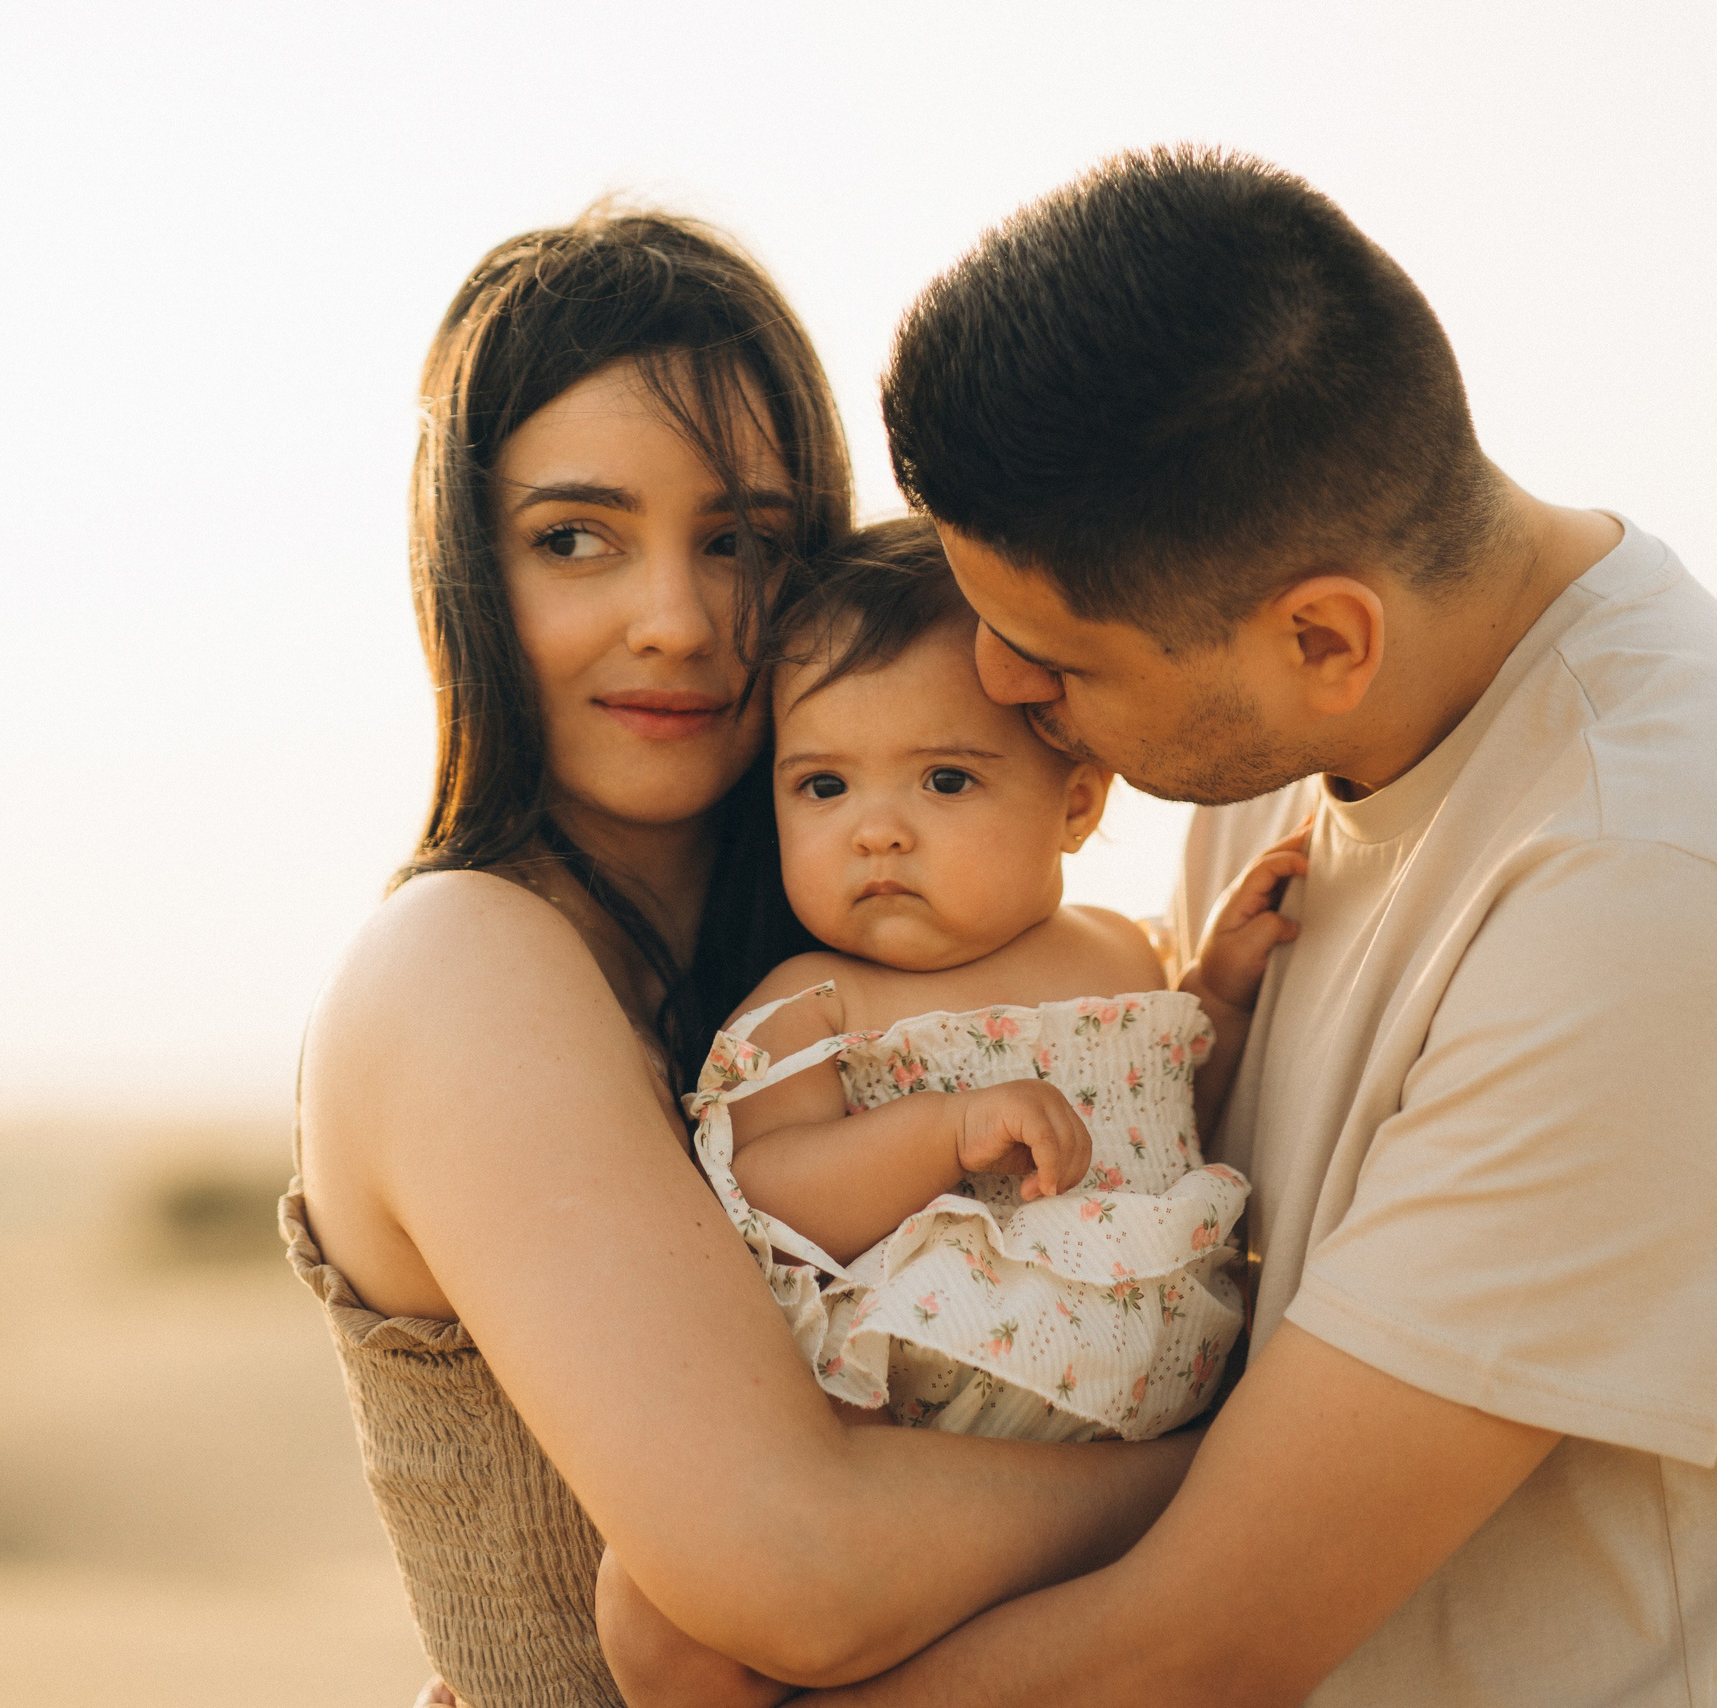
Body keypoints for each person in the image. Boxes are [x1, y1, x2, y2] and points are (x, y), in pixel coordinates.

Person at [800, 147, 1717, 1705]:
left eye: (1050, 654)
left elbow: (1198, 1645)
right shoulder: (1269, 746)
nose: (997, 686)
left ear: (1324, 637)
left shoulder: (1662, 885)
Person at [285, 210, 1202, 1708]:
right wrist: (1244, 1468)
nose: (678, 620)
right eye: (575, 539)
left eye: (744, 543)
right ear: (466, 573)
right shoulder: (460, 965)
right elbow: (799, 1573)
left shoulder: (857, 955)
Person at [596, 518, 1279, 1706]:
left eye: (945, 778)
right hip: (917, 1436)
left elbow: (1173, 1131)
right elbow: (771, 1186)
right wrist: (943, 1132)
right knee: (659, 1615)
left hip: (1137, 1408)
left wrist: (1216, 989)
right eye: (823, 784)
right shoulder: (814, 1003)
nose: (876, 827)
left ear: (1075, 804)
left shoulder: (1119, 952)